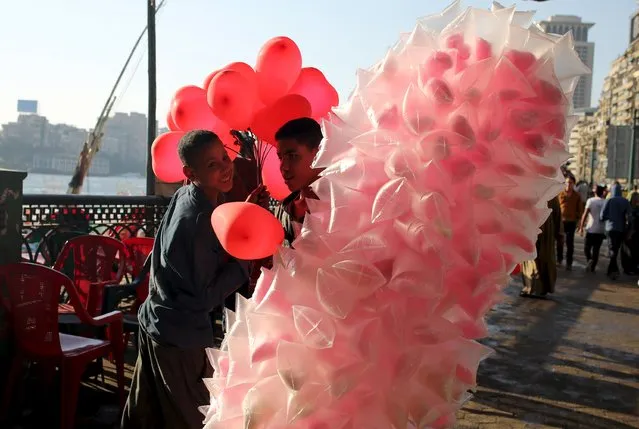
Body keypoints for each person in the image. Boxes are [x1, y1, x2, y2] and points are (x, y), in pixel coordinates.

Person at [121, 130, 268, 429]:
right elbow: (204, 296)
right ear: (190, 172)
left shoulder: (186, 194)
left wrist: (243, 213)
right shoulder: (199, 220)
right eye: (212, 164)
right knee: (194, 419)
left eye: (224, 158)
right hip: (180, 337)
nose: (226, 167)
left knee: (143, 416)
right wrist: (244, 253)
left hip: (155, 322)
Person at [272, 117, 324, 246]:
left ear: (318, 153)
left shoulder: (344, 205)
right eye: (280, 157)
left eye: (292, 156)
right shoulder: (282, 211)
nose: (283, 167)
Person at [520, 196, 562, 298]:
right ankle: (532, 287)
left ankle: (538, 287)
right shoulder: (535, 189)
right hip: (533, 228)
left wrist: (558, 233)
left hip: (544, 231)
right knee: (531, 257)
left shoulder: (552, 195)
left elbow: (557, 214)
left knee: (541, 258)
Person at [601, 182, 631, 280]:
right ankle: (611, 270)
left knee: (611, 249)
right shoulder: (625, 201)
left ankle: (614, 270)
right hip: (620, 229)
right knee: (616, 249)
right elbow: (629, 217)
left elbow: (602, 216)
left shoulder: (609, 200)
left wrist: (607, 218)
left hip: (610, 228)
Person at [557, 176, 583, 270]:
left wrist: (579, 223)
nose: (568, 184)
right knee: (560, 242)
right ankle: (559, 260)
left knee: (569, 243)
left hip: (571, 222)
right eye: (567, 182)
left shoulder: (577, 195)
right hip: (561, 222)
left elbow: (580, 210)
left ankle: (569, 262)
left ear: (573, 184)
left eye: (570, 182)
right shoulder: (560, 194)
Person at [578, 185, 606, 273]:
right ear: (602, 193)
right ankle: (593, 267)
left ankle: (589, 259)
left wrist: (581, 227)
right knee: (596, 250)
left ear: (595, 192)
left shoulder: (590, 201)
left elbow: (585, 214)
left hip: (590, 229)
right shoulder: (605, 202)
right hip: (601, 230)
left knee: (587, 248)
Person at [621, 191, 639, 274]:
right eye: (635, 198)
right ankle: (627, 269)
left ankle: (633, 268)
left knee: (634, 252)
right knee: (627, 252)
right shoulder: (628, 208)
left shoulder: (637, 209)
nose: (636, 200)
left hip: (635, 233)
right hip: (628, 233)